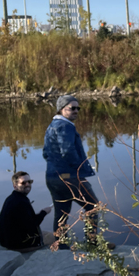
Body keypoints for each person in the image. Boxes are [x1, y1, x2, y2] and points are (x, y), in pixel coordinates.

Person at [43, 94, 106, 249]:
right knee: (93, 207)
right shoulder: (66, 126)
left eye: (78, 108)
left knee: (61, 213)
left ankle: (62, 246)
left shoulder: (51, 126)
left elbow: (45, 153)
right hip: (69, 177)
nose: (76, 111)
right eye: (72, 108)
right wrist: (78, 172)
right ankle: (92, 244)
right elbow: (68, 151)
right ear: (61, 109)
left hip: (52, 177)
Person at [0, 171, 54, 252]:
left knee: (46, 233)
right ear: (15, 186)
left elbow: (26, 221)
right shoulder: (21, 202)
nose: (27, 184)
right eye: (23, 183)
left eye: (29, 182)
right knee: (57, 237)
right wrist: (44, 212)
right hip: (18, 244)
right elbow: (34, 223)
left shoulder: (12, 198)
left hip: (7, 241)